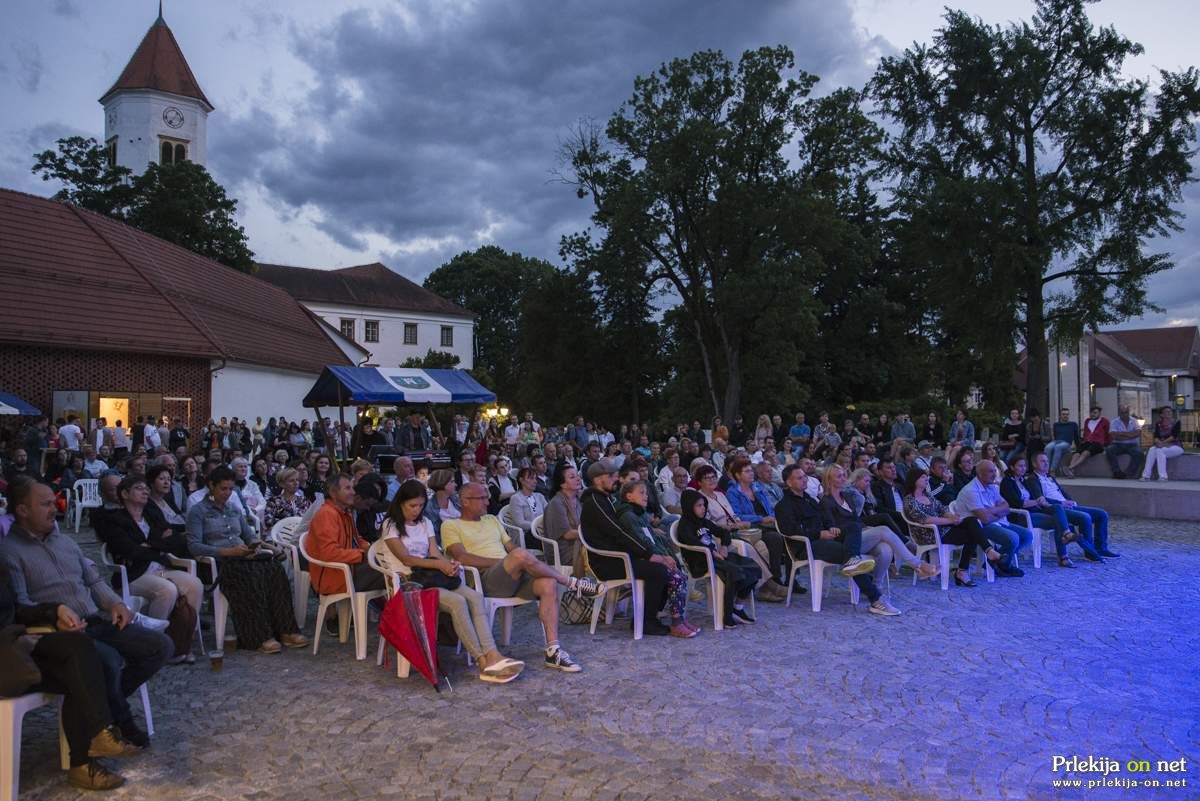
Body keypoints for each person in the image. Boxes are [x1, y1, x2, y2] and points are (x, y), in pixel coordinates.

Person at [0, 479, 170, 751]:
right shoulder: (10, 552)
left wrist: (115, 604)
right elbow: (20, 605)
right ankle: (120, 720)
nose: (54, 508)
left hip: (95, 620)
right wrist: (54, 617)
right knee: (108, 660)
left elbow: (93, 581)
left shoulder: (65, 541)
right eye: (45, 504)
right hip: (61, 633)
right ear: (22, 510)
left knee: (159, 646)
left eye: (53, 502)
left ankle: (106, 706)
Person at [0, 561, 142, 790]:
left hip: (13, 646)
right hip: (6, 659)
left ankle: (90, 751)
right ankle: (89, 750)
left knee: (79, 649)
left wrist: (55, 610)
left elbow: (17, 610)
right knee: (77, 669)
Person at [442, 482, 598, 672]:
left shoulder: (491, 519)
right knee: (520, 556)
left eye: (487, 497)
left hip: (512, 573)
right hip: (485, 580)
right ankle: (571, 583)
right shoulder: (450, 525)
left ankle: (553, 650)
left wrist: (520, 560)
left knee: (546, 582)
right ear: (465, 501)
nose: (487, 501)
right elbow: (463, 557)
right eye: (482, 498)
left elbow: (512, 548)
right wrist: (509, 561)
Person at [379, 480, 524, 683]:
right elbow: (406, 559)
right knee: (457, 602)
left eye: (420, 505)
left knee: (474, 597)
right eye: (412, 505)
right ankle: (482, 661)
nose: (416, 510)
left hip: (430, 576)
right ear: (401, 503)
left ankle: (493, 653)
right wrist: (439, 565)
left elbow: (434, 552)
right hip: (410, 583)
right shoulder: (391, 525)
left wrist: (448, 564)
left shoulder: (425, 522)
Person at [186, 466, 308, 653]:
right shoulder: (198, 511)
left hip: (242, 557)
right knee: (251, 576)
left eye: (230, 489)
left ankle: (286, 629)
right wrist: (228, 552)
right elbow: (194, 546)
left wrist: (259, 546)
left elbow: (249, 535)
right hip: (219, 564)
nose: (227, 493)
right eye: (223, 489)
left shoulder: (233, 509)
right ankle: (259, 636)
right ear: (211, 486)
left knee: (275, 569)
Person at [95, 476, 202, 652]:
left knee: (194, 584)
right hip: (133, 574)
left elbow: (175, 540)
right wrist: (157, 545)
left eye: (146, 488)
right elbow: (128, 550)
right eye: (139, 488)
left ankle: (182, 639)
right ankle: (154, 643)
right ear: (125, 493)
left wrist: (150, 545)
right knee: (166, 590)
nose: (145, 491)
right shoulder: (114, 520)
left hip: (160, 568)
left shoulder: (151, 516)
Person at [772, 464, 896, 614]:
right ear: (789, 482)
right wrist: (819, 534)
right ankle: (876, 599)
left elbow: (824, 519)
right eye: (799, 478)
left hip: (824, 540)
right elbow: (790, 530)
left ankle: (853, 560)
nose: (804, 480)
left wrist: (830, 527)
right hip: (807, 546)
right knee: (847, 554)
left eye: (804, 476)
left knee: (853, 526)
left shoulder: (809, 500)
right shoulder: (783, 506)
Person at [579, 460, 676, 635]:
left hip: (617, 557)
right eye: (612, 476)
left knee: (660, 569)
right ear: (599, 479)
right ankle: (647, 621)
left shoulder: (604, 499)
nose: (615, 480)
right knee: (658, 571)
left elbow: (622, 534)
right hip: (607, 562)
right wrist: (649, 555)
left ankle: (649, 615)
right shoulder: (594, 501)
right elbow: (618, 532)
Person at [613, 480, 700, 635]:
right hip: (635, 560)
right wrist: (662, 558)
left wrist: (668, 555)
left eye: (646, 492)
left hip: (648, 557)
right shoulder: (628, 516)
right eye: (641, 492)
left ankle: (678, 619)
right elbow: (642, 543)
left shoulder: (639, 514)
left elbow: (654, 539)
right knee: (675, 578)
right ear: (628, 496)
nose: (645, 495)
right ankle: (675, 622)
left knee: (680, 575)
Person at [306, 474, 386, 637]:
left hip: (348, 571)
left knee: (390, 565)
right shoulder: (327, 514)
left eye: (352, 487)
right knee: (392, 571)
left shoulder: (344, 513)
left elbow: (359, 540)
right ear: (334, 492)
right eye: (347, 488)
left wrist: (371, 549)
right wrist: (362, 555)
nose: (353, 492)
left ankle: (397, 617)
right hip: (335, 577)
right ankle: (401, 620)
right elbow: (329, 553)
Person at [675, 488, 760, 627]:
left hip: (717, 557)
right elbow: (691, 541)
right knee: (733, 572)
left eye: (704, 505)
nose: (703, 509)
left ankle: (737, 608)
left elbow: (723, 533)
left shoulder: (704, 522)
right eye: (699, 506)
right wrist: (712, 551)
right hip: (700, 562)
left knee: (752, 567)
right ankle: (726, 615)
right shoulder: (685, 525)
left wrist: (724, 546)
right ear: (689, 506)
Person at [902, 468, 1001, 587]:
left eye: (926, 476)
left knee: (972, 521)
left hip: (943, 528)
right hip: (928, 533)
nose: (926, 479)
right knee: (973, 534)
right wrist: (949, 520)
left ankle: (988, 552)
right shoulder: (909, 500)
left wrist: (952, 516)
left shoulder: (927, 495)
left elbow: (942, 509)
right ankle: (965, 569)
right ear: (914, 480)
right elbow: (925, 519)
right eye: (923, 477)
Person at [1000, 457, 1093, 568]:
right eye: (1020, 466)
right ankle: (1064, 553)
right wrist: (1036, 501)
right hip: (1020, 516)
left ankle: (1067, 540)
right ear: (1011, 467)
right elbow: (1018, 503)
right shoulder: (1007, 482)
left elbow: (1034, 497)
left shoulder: (1023, 481)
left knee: (1057, 509)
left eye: (1024, 466)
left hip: (1033, 511)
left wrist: (1041, 501)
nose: (1023, 468)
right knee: (1058, 522)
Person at [950, 460, 1033, 577]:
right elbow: (984, 519)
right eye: (990, 472)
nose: (994, 474)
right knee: (1013, 538)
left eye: (994, 471)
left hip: (997, 522)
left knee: (1027, 535)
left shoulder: (992, 487)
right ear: (980, 474)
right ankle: (1004, 565)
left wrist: (993, 511)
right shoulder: (971, 491)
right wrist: (999, 513)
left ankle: (996, 563)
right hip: (978, 527)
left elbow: (1006, 507)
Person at [1027, 452, 1118, 558]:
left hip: (1067, 506)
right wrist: (1061, 503)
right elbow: (1041, 499)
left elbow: (1062, 493)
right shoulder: (1032, 479)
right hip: (1056, 509)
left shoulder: (1050, 477)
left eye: (1047, 461)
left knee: (1101, 514)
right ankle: (1090, 552)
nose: (1046, 464)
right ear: (1034, 464)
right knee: (1085, 517)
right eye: (1042, 461)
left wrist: (1070, 501)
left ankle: (1101, 548)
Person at [723, 456, 789, 601]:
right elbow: (737, 515)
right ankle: (774, 582)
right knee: (774, 539)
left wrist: (771, 518)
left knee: (786, 534)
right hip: (749, 528)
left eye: (751, 471)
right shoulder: (733, 492)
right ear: (738, 475)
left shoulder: (757, 488)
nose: (751, 473)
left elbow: (769, 508)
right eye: (747, 471)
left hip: (766, 525)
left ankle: (784, 580)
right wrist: (761, 519)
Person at [542, 462, 584, 575]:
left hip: (579, 542)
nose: (578, 479)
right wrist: (590, 534)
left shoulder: (578, 498)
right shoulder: (556, 503)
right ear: (563, 484)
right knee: (599, 551)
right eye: (572, 477)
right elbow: (567, 534)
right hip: (563, 551)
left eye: (577, 475)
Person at [1141, 406, 1183, 481]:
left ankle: (1163, 476)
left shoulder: (1176, 422)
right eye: (1166, 412)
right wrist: (1157, 442)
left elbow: (1174, 436)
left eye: (1170, 411)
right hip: (1162, 445)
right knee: (1152, 449)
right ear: (1161, 415)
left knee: (1160, 450)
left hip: (1176, 446)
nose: (1169, 413)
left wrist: (1162, 443)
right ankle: (1146, 476)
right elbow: (1156, 436)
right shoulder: (1158, 424)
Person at [1103, 405, 1143, 479]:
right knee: (1109, 450)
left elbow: (1138, 433)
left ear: (1128, 412)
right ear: (1119, 413)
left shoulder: (1134, 421)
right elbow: (1114, 436)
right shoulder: (1114, 422)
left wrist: (1121, 433)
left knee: (1139, 453)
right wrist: (1130, 434)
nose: (1124, 414)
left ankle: (1128, 474)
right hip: (1117, 444)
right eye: (1122, 412)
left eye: (1126, 412)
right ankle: (1117, 472)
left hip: (1132, 444)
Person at [508, 466, 548, 537]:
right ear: (521, 480)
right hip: (527, 534)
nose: (535, 481)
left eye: (535, 478)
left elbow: (549, 513)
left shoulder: (539, 496)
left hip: (543, 530)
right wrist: (537, 525)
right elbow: (520, 523)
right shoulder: (516, 499)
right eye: (531, 478)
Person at [1045, 408, 1079, 475]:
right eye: (1063, 414)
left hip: (1067, 444)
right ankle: (1046, 470)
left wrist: (1078, 447)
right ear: (1060, 415)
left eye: (1067, 414)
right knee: (1047, 447)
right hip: (1057, 441)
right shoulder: (1056, 425)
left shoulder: (1073, 424)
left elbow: (1076, 437)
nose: (1065, 416)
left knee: (1058, 447)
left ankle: (1052, 470)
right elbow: (1055, 435)